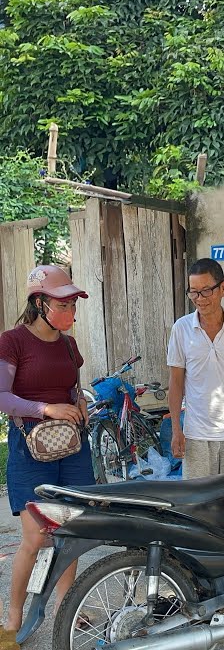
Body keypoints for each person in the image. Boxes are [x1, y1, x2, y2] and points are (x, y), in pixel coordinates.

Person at [0, 266, 92, 635]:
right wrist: (45, 409)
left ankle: (64, 609)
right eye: (62, 302)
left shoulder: (69, 344)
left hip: (73, 447)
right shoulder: (12, 341)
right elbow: (2, 397)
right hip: (30, 449)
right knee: (37, 537)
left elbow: (72, 388)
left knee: (71, 530)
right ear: (39, 303)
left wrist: (79, 403)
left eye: (72, 302)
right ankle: (15, 614)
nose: (69, 309)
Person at [166, 258, 224, 519]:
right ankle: (199, 557)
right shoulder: (182, 329)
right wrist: (177, 429)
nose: (200, 298)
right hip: (196, 434)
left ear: (223, 288)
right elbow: (175, 383)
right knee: (195, 508)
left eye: (206, 290)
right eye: (194, 291)